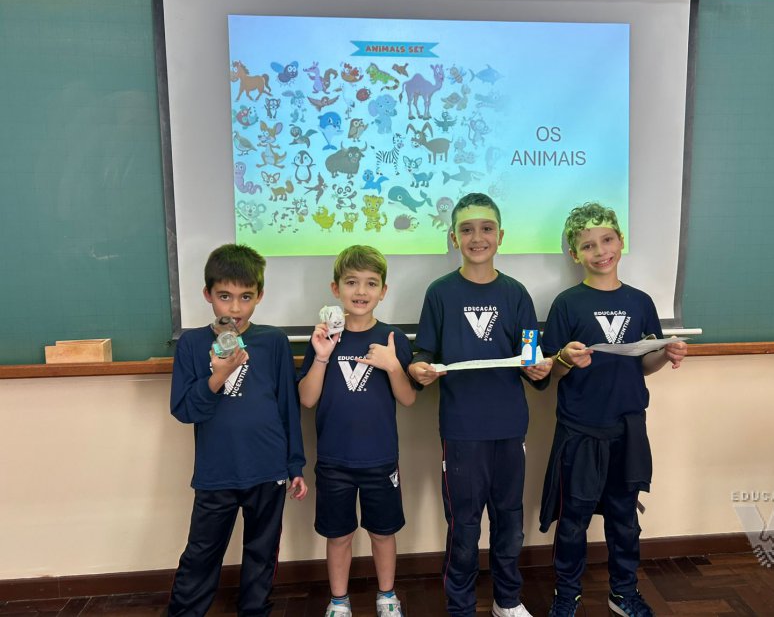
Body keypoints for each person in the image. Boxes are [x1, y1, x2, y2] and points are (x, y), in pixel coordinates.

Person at [538, 203, 687, 617]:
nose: (600, 251)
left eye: (607, 240)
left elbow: (645, 363)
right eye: (588, 245)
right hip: (581, 428)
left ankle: (623, 592)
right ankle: (567, 594)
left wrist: (666, 354)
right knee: (573, 518)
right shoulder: (567, 303)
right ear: (575, 254)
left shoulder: (640, 301)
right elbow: (551, 371)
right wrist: (566, 359)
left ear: (621, 241)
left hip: (628, 426)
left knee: (625, 517)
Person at [408, 193, 553, 617]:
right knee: (464, 525)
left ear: (500, 236)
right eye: (467, 229)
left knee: (509, 521)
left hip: (509, 426)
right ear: (454, 238)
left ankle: (507, 601)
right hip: (461, 429)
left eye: (487, 228)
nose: (477, 237)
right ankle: (461, 606)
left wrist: (538, 369)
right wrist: (418, 368)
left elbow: (530, 355)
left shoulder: (516, 294)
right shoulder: (440, 293)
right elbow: (424, 352)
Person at [167, 243, 307, 617]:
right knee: (202, 552)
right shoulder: (192, 344)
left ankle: (254, 610)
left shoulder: (273, 341)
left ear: (259, 296)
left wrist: (294, 464)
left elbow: (287, 407)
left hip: (268, 469)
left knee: (263, 551)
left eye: (245, 297)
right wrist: (218, 376)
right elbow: (184, 410)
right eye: (224, 296)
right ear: (207, 294)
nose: (234, 308)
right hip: (217, 471)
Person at [298, 245, 416, 617]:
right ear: (336, 289)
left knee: (383, 532)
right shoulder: (324, 337)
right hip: (334, 460)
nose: (361, 291)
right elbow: (307, 399)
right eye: (351, 282)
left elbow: (409, 399)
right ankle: (339, 601)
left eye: (370, 283)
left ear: (383, 291)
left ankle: (387, 597)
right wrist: (321, 356)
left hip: (380, 459)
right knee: (339, 535)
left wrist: (392, 365)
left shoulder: (393, 338)